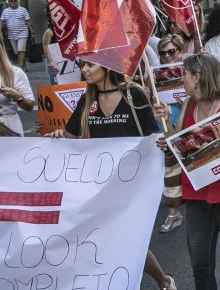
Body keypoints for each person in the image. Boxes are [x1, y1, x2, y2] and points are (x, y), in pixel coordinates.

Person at [51, 60, 177, 290]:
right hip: (101, 184)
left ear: (106, 66)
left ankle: (162, 280)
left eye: (90, 65)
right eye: (82, 65)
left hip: (134, 182)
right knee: (113, 238)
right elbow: (72, 135)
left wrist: (165, 122)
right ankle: (157, 280)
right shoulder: (87, 99)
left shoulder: (134, 94)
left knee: (128, 238)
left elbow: (152, 135)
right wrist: (59, 135)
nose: (85, 70)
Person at [155, 54, 220, 290]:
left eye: (184, 75)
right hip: (197, 195)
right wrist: (166, 132)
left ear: (197, 77)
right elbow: (178, 143)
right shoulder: (190, 104)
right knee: (200, 265)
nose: (181, 80)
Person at [156, 34, 187, 234]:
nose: (167, 56)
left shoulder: (191, 70)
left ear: (180, 51)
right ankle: (174, 212)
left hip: (187, 120)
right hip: (166, 121)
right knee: (170, 168)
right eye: (163, 53)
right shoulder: (154, 74)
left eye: (171, 52)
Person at [0, 0, 34, 70]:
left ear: (17, 1)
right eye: (11, 0)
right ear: (8, 2)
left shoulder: (23, 10)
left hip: (22, 33)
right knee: (17, 52)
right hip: (12, 35)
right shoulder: (5, 11)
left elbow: (28, 21)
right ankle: (23, 64)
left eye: (15, 0)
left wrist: (32, 32)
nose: (13, 2)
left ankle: (20, 67)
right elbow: (1, 21)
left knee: (21, 49)